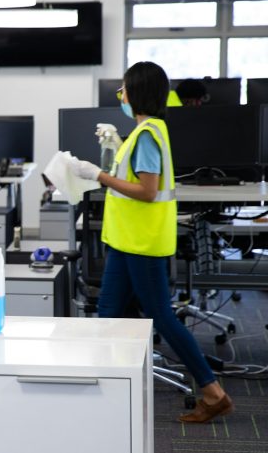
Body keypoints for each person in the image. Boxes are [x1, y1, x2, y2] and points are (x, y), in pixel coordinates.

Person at [69, 61, 233, 424]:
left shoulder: (147, 136)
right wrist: (114, 147)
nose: (121, 96)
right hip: (128, 242)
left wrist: (97, 175)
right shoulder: (145, 132)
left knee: (161, 316)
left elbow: (146, 190)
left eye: (123, 89)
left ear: (137, 93)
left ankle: (212, 391)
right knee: (108, 315)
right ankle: (107, 394)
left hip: (141, 244)